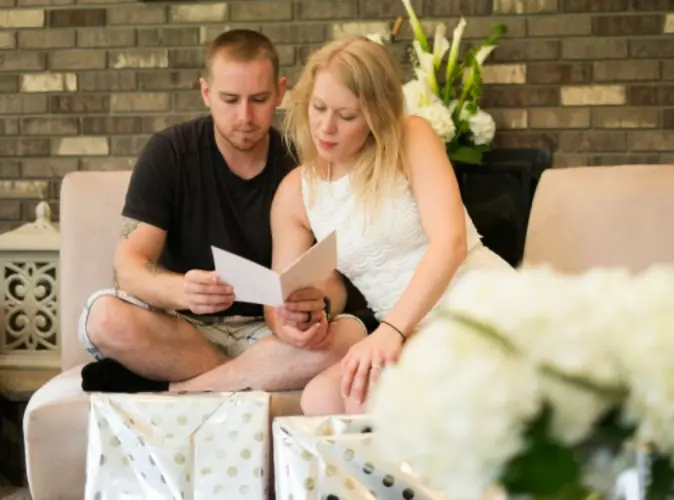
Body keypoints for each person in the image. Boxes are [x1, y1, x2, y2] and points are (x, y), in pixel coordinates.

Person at [78, 29, 367, 394]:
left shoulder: (303, 162)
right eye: (229, 99)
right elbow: (129, 266)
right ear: (206, 92)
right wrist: (182, 290)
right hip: (182, 329)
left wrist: (311, 311)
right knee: (102, 317)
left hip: (268, 333)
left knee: (349, 335)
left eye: (259, 99)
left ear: (280, 92)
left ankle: (185, 385)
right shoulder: (169, 153)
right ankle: (251, 375)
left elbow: (328, 279)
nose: (244, 116)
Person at [274, 35, 513, 416]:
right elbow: (279, 292)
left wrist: (392, 332)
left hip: (476, 304)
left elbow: (449, 243)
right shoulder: (296, 192)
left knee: (366, 394)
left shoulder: (412, 136)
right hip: (408, 330)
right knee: (318, 399)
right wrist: (292, 319)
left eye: (346, 115)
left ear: (375, 114)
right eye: (318, 108)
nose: (326, 127)